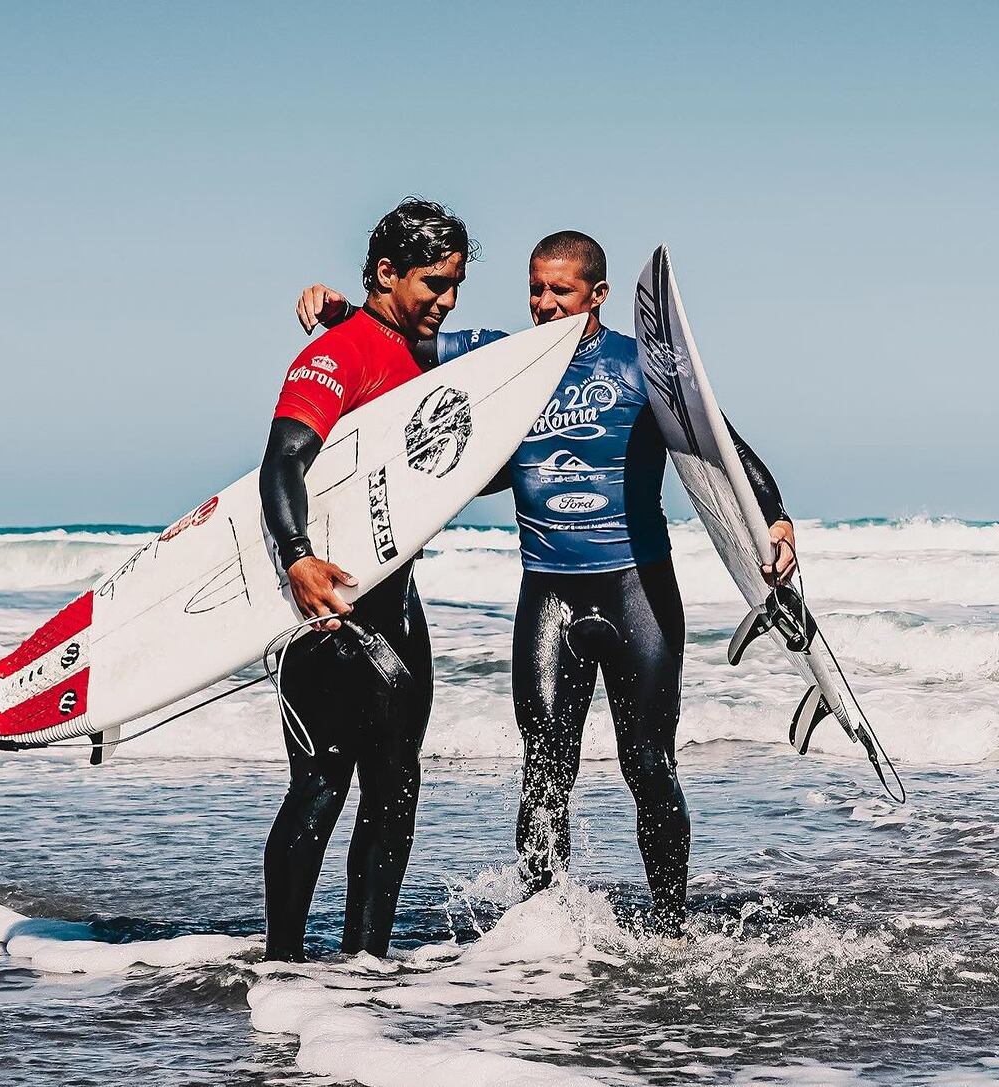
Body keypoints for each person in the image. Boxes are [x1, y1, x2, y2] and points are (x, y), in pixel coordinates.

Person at [294, 232, 794, 935]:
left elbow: (720, 441)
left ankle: (671, 925)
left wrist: (772, 519)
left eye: (560, 290)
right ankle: (540, 928)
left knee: (648, 766)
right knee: (544, 773)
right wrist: (345, 313)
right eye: (535, 288)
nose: (544, 303)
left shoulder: (641, 366)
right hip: (548, 592)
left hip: (635, 589)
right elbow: (399, 345)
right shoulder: (500, 360)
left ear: (598, 294)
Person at [259, 198, 474, 961]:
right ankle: (281, 963)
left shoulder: (420, 352)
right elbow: (283, 458)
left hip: (399, 611)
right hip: (328, 617)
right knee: (320, 788)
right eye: (433, 284)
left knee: (395, 793)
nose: (446, 300)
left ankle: (365, 967)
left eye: (453, 285)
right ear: (389, 273)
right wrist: (296, 555)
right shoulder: (338, 353)